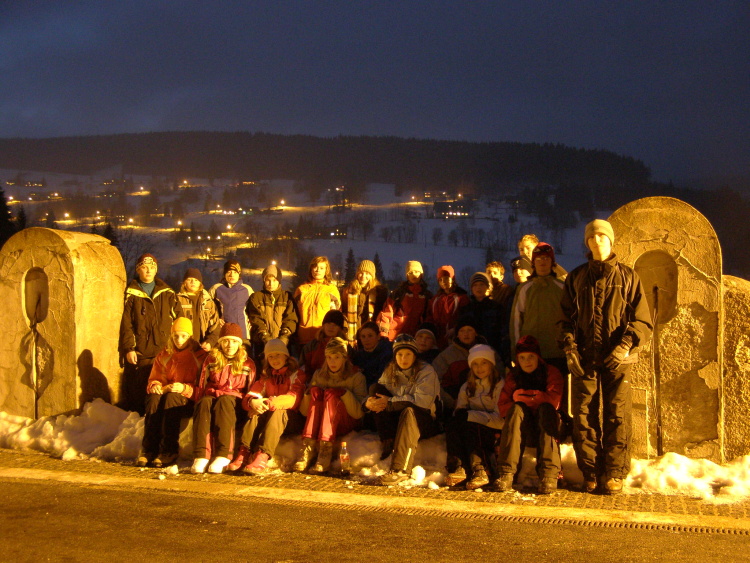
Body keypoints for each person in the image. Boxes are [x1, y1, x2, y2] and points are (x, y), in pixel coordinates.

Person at [559, 219, 652, 495]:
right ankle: (590, 471)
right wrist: (570, 348)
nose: (597, 240)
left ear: (611, 241)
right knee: (583, 414)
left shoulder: (628, 277)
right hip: (585, 356)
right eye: (592, 237)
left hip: (618, 358)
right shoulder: (576, 277)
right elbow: (564, 319)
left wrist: (625, 345)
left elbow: (643, 320)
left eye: (602, 236)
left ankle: (614, 473)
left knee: (617, 414)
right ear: (587, 243)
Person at [365, 334, 441, 485]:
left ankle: (400, 470)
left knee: (409, 411)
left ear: (415, 356)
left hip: (423, 419)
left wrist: (390, 403)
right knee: (375, 390)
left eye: (408, 354)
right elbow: (380, 396)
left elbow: (422, 402)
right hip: (399, 419)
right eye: (400, 354)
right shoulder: (390, 370)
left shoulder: (426, 371)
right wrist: (368, 404)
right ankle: (388, 441)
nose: (403, 359)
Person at [496, 335, 564, 494]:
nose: (527, 361)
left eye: (531, 357)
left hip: (547, 425)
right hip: (522, 427)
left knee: (546, 409)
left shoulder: (550, 372)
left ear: (538, 357)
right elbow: (503, 406)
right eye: (522, 357)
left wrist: (524, 396)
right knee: (516, 409)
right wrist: (524, 401)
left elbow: (554, 401)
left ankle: (549, 474)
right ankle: (506, 473)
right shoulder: (513, 376)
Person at [227, 339, 306, 474]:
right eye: (271, 356)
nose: (274, 360)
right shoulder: (266, 376)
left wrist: (269, 403)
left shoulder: (297, 374)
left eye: (278, 355)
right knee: (255, 411)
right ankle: (244, 451)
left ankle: (263, 454)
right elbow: (253, 393)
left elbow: (293, 399)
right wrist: (253, 402)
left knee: (278, 411)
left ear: (286, 356)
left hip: (292, 419)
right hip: (270, 415)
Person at [138, 317, 207, 468]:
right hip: (167, 392)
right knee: (153, 398)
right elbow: (155, 378)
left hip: (189, 398)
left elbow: (204, 386)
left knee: (172, 398)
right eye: (176, 336)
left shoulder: (200, 356)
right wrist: (155, 385)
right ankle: (149, 448)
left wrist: (185, 389)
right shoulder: (164, 354)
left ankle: (169, 450)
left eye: (183, 336)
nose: (179, 340)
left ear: (190, 336)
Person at [119, 253, 182, 415]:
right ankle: (141, 420)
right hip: (142, 351)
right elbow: (126, 324)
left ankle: (160, 417)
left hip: (165, 350)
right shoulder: (131, 294)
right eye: (144, 268)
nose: (148, 271)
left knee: (164, 387)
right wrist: (129, 348)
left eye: (152, 268)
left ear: (156, 270)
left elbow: (179, 321)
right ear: (138, 270)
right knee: (142, 389)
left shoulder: (167, 293)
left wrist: (179, 345)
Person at [191, 323, 256, 474]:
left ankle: (224, 454)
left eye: (234, 341)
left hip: (235, 403)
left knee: (225, 401)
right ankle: (201, 455)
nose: (229, 345)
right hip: (214, 396)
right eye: (226, 341)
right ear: (220, 343)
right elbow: (202, 384)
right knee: (204, 402)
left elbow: (251, 389)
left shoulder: (247, 363)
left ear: (239, 343)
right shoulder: (211, 360)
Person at [294, 337, 367, 474]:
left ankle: (325, 451)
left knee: (332, 396)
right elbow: (305, 412)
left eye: (337, 357)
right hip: (321, 422)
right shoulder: (319, 375)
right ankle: (308, 447)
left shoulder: (356, 377)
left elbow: (359, 413)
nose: (332, 362)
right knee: (316, 392)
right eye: (329, 357)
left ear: (344, 358)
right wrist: (309, 395)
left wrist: (344, 394)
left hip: (345, 422)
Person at [445, 344, 504, 490]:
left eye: (484, 363)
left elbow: (500, 420)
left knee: (473, 427)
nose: (479, 368)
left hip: (494, 429)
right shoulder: (467, 386)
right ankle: (458, 467)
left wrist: (471, 416)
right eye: (475, 364)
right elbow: (460, 411)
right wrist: (462, 415)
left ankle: (480, 469)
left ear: (491, 364)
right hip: (471, 426)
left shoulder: (499, 385)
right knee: (454, 424)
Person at [510, 242, 567, 373]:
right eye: (539, 259)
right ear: (533, 263)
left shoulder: (562, 287)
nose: (542, 262)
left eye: (546, 258)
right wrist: (516, 351)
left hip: (557, 352)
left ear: (552, 262)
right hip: (531, 353)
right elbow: (516, 322)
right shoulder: (524, 288)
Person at [432, 318, 485, 412]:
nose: (466, 334)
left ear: (476, 333)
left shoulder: (487, 352)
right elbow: (435, 380)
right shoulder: (446, 356)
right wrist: (452, 402)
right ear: (457, 334)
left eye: (469, 330)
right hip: (455, 403)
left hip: (484, 403)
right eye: (462, 331)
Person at [247, 263, 297, 359]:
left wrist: (284, 338)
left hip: (284, 345)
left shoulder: (287, 297)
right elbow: (255, 319)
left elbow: (291, 318)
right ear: (263, 280)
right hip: (261, 344)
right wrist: (265, 337)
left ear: (279, 281)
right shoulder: (256, 297)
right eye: (268, 280)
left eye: (274, 280)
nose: (271, 283)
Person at [376, 260, 433, 340]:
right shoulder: (399, 293)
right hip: (395, 334)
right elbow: (387, 313)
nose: (414, 275)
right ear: (407, 276)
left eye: (417, 272)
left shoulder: (426, 295)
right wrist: (383, 333)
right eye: (410, 273)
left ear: (421, 274)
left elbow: (429, 316)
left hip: (416, 336)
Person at [293, 256, 341, 347]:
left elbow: (334, 317)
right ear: (311, 269)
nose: (318, 270)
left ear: (326, 270)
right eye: (315, 267)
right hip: (302, 338)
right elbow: (294, 314)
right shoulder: (301, 289)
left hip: (323, 338)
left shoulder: (331, 290)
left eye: (321, 268)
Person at [342, 259, 388, 341]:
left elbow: (382, 313)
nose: (363, 276)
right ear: (357, 274)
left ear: (372, 275)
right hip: (353, 331)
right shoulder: (348, 291)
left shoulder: (379, 292)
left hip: (372, 332)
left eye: (367, 273)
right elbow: (344, 311)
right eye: (361, 273)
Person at [456, 272, 503, 354]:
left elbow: (502, 330)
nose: (478, 288)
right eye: (475, 285)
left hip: (493, 348)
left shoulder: (496, 307)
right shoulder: (466, 309)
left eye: (482, 284)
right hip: (471, 350)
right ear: (471, 288)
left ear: (487, 287)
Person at [209, 259, 254, 342]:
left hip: (243, 333)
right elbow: (208, 309)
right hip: (223, 333)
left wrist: (252, 321)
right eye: (229, 272)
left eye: (235, 272)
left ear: (239, 273)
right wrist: (216, 319)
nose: (232, 275)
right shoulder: (216, 289)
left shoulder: (247, 289)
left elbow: (254, 309)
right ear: (224, 274)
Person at [176, 268, 221, 351]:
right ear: (184, 282)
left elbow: (215, 325)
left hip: (203, 346)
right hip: (183, 345)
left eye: (196, 280)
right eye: (189, 279)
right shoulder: (177, 300)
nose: (193, 282)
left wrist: (210, 341)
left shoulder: (208, 301)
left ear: (200, 283)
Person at [427, 265, 469, 348]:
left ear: (452, 279)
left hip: (455, 338)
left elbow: (465, 317)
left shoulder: (461, 298)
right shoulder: (435, 299)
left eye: (446, 278)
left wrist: (456, 328)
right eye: (440, 280)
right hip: (438, 339)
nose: (443, 282)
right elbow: (429, 316)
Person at [299, 309, 347, 377]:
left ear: (340, 328)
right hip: (315, 381)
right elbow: (302, 369)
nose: (331, 327)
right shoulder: (311, 346)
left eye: (335, 325)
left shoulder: (345, 347)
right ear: (323, 325)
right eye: (328, 323)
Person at [486, 261, 515, 367]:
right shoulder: (484, 290)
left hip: (501, 334)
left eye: (495, 273)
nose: (491, 275)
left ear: (501, 276)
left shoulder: (506, 290)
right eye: (489, 272)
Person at [351, 321, 393, 389]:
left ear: (378, 336)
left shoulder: (386, 352)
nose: (366, 339)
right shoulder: (358, 356)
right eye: (363, 336)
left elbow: (382, 379)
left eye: (370, 336)